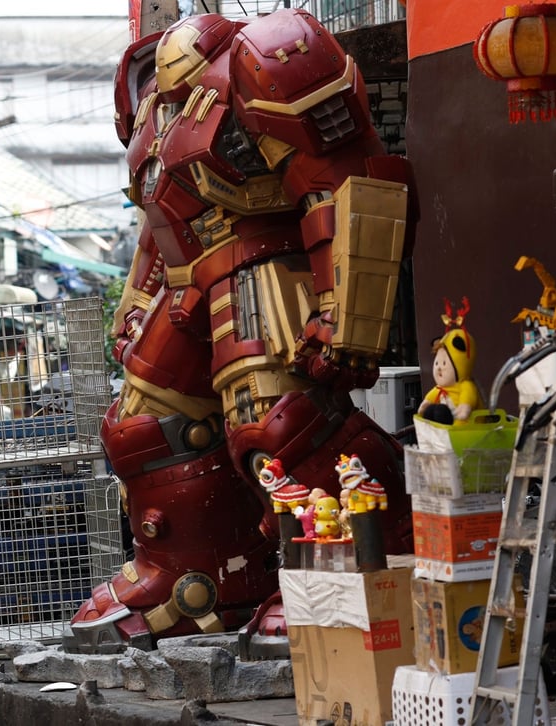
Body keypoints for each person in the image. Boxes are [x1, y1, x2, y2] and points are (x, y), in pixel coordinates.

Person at [66, 10, 417, 652]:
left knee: (278, 425)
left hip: (264, 269)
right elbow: (161, 219)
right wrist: (136, 302)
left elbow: (346, 181)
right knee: (143, 428)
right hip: (186, 286)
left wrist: (348, 311)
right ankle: (194, 577)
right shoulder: (148, 86)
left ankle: (359, 556)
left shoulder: (269, 55)